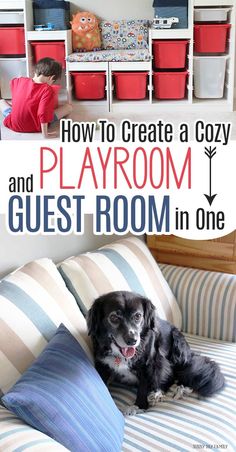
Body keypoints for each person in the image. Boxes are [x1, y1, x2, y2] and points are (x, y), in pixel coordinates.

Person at [0, 57, 72, 138]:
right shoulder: (47, 89)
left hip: (13, 123)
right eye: (52, 82)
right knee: (68, 107)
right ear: (51, 78)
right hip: (35, 126)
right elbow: (43, 113)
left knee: (1, 102)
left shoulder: (18, 81)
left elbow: (12, 83)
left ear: (36, 71)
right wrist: (45, 134)